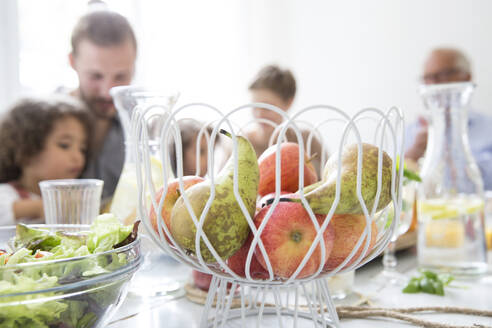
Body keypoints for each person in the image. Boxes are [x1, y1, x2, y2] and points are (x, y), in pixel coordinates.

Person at [68, 10, 137, 203]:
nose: (108, 91)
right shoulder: (41, 123)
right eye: (96, 76)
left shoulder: (142, 126)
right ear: (72, 62)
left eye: (121, 76)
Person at [405, 47, 492, 189]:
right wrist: (412, 155)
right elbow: (387, 191)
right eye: (427, 78)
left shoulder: (488, 129)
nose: (433, 84)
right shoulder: (410, 132)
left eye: (443, 75)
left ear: (466, 77)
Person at [0, 96, 92, 226]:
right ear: (28, 150)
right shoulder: (7, 194)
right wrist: (40, 207)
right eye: (64, 145)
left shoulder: (76, 196)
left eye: (82, 149)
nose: (78, 157)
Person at [246, 65, 325, 174]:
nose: (259, 114)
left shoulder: (306, 141)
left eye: (267, 107)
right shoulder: (240, 144)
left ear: (288, 103)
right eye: (254, 107)